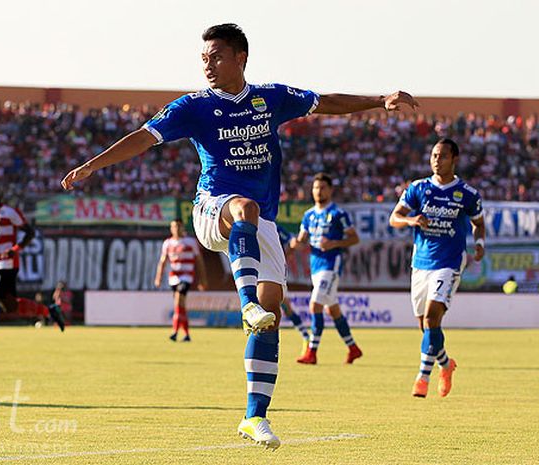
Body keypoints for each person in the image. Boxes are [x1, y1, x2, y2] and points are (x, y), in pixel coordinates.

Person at [61, 23, 418, 449]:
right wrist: (91, 166)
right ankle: (245, 304)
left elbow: (326, 102)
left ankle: (254, 416)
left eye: (216, 57)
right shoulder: (193, 106)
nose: (208, 65)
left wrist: (380, 100)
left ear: (240, 59)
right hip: (213, 210)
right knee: (244, 219)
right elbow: (142, 137)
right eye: (204, 58)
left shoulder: (271, 99)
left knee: (273, 313)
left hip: (260, 223)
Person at [389, 138, 485, 398]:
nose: (436, 160)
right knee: (426, 327)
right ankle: (446, 364)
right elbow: (394, 217)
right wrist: (411, 220)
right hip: (421, 263)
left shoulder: (466, 193)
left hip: (450, 261)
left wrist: (479, 242)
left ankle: (422, 377)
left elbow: (478, 222)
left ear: (454, 159)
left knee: (432, 317)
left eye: (442, 156)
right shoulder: (418, 187)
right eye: (433, 155)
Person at [0, 180, 64, 359]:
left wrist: (15, 250)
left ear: (1, 194)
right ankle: (49, 311)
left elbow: (29, 232)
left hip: (7, 265)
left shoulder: (10, 213)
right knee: (10, 305)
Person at [290, 173, 362, 365]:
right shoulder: (308, 215)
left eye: (322, 188)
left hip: (331, 265)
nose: (318, 191)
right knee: (333, 310)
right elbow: (302, 240)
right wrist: (295, 244)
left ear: (330, 190)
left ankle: (312, 352)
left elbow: (355, 238)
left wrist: (334, 243)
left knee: (315, 306)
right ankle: (353, 348)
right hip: (315, 266)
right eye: (315, 188)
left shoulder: (338, 214)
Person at [154, 218, 208, 342]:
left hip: (186, 277)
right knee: (181, 306)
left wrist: (202, 279)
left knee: (178, 302)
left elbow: (199, 261)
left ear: (183, 228)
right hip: (173, 278)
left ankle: (174, 331)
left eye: (179, 226)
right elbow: (162, 261)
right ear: (171, 228)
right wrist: (158, 277)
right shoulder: (167, 243)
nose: (176, 229)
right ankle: (187, 334)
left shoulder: (190, 242)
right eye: (174, 226)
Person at [276, 224, 311, 353]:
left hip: (273, 271)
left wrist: (297, 244)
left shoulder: (274, 226)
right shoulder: (249, 225)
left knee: (282, 304)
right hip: (255, 270)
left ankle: (306, 336)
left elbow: (292, 242)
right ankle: (306, 335)